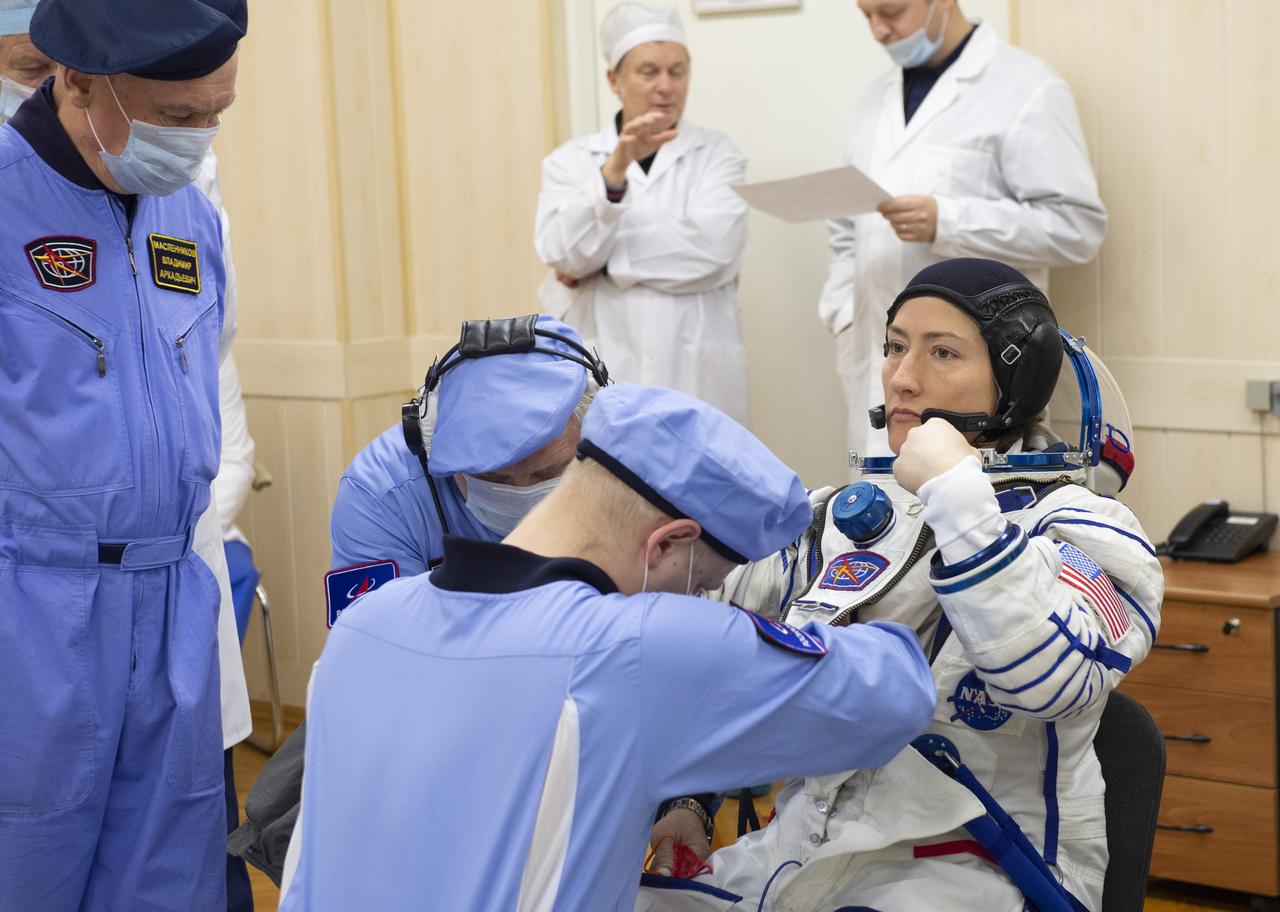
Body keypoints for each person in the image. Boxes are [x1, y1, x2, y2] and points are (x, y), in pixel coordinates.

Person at [278, 382, 937, 912]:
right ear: (666, 544)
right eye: (702, 583)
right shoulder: (633, 646)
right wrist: (956, 499)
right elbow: (896, 692)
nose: (698, 600)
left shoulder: (368, 624)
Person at [635, 258, 1163, 912]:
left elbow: (1049, 678)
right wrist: (689, 797)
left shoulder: (1086, 528)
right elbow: (703, 642)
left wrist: (959, 498)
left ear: (1014, 379)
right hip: (798, 859)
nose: (902, 376)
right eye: (894, 347)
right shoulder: (840, 516)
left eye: (942, 351)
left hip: (981, 871)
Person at [228, 314, 724, 880]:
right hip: (431, 715)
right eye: (490, 479)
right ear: (435, 453)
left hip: (595, 695)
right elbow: (377, 680)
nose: (520, 496)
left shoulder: (636, 473)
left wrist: (686, 802)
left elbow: (681, 649)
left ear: (596, 438)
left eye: (548, 473)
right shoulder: (382, 491)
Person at [0, 0, 246, 908]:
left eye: (217, 111)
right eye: (178, 118)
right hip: (30, 610)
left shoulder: (189, 215)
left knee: (169, 881)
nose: (199, 138)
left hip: (172, 598)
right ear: (76, 81)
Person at [821, 0, 1107, 458]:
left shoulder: (1027, 87)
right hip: (882, 367)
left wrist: (948, 220)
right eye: (866, 15)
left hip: (979, 381)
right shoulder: (874, 101)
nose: (878, 30)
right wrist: (844, 317)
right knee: (882, 520)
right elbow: (846, 231)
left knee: (974, 511)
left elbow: (1077, 226)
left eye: (891, 12)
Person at [536, 2, 752, 426]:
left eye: (678, 70)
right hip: (604, 373)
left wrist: (600, 262)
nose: (666, 87)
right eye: (649, 72)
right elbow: (561, 252)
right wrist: (613, 173)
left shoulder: (718, 154)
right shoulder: (570, 163)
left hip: (698, 379)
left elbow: (714, 250)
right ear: (614, 79)